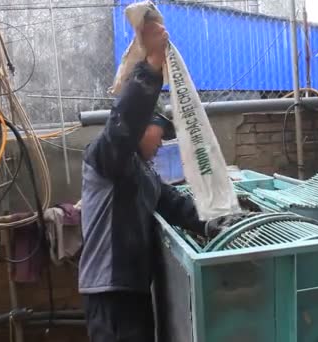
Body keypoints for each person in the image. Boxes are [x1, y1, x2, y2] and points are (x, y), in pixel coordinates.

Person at [78, 21, 219, 342]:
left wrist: (217, 222)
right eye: (160, 133)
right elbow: (123, 122)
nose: (162, 142)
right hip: (109, 290)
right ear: (143, 126)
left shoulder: (145, 174)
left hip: (132, 287)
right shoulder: (105, 156)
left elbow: (175, 205)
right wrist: (152, 64)